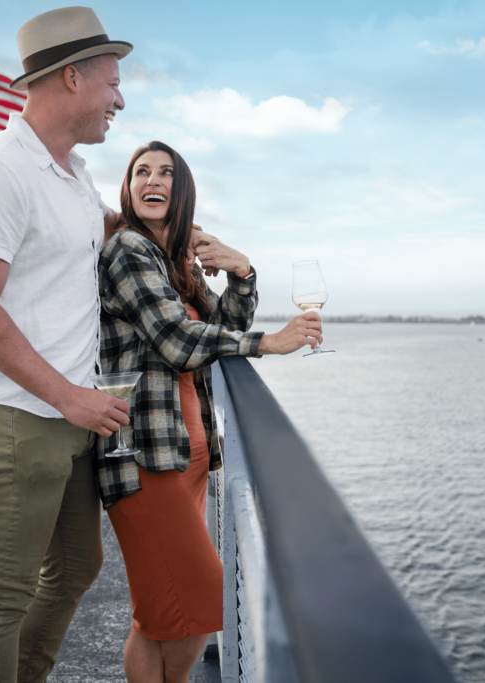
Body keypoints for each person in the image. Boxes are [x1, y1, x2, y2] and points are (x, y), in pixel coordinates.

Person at [0, 7, 133, 682]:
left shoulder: (72, 174)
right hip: (14, 412)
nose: (120, 97)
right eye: (112, 82)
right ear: (73, 78)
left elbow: (106, 231)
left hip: (64, 412)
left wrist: (188, 236)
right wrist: (70, 397)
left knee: (79, 566)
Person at [98, 141, 322, 683]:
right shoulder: (126, 250)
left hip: (189, 455)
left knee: (158, 616)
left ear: (183, 190)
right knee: (202, 604)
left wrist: (241, 273)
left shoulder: (173, 261)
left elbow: (224, 326)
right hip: (146, 459)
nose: (153, 180)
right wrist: (271, 344)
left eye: (166, 172)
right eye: (141, 172)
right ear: (128, 189)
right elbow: (179, 339)